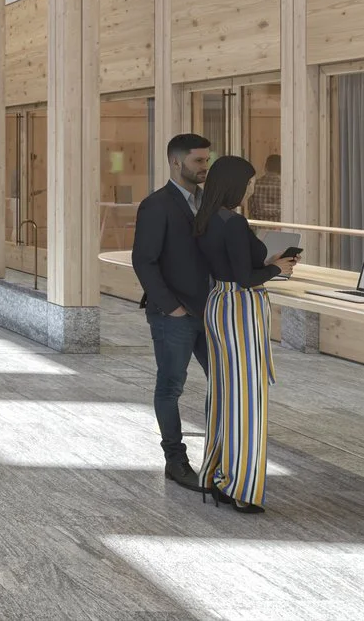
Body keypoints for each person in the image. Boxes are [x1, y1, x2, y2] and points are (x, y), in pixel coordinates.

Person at [193, 155, 294, 514]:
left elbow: (233, 267)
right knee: (249, 400)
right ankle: (241, 488)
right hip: (241, 308)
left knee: (224, 394)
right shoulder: (235, 223)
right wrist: (277, 268)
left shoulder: (206, 219)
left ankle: (218, 474)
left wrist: (269, 262)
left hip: (217, 304)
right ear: (235, 184)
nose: (252, 188)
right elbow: (245, 278)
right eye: (248, 182)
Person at [132, 133, 216, 490]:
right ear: (176, 162)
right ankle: (175, 461)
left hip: (211, 313)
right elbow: (144, 262)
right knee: (170, 387)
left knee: (225, 383)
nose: (204, 168)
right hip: (174, 316)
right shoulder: (157, 205)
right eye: (198, 161)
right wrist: (174, 308)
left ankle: (219, 455)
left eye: (207, 161)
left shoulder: (208, 203)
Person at [246, 154, 283, 221]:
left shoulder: (254, 185)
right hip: (279, 228)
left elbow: (250, 209)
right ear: (281, 169)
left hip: (258, 227)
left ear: (265, 167)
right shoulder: (284, 188)